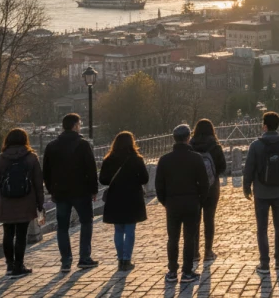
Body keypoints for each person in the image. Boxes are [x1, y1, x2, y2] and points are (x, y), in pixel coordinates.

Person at [42, 113, 99, 272]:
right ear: (75, 126)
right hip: (81, 191)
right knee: (86, 222)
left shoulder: (52, 146)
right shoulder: (83, 145)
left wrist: (51, 189)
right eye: (79, 124)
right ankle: (84, 257)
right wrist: (93, 189)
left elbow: (46, 171)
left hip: (60, 192)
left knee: (62, 227)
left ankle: (66, 261)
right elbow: (91, 169)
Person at [243, 111, 279, 275]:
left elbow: (249, 169)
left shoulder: (256, 145)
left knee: (262, 228)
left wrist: (246, 188)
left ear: (264, 126)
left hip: (261, 192)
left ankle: (264, 263)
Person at [155, 124, 209, 284]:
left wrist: (165, 201)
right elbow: (205, 184)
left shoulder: (164, 160)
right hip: (192, 202)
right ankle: (187, 271)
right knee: (189, 238)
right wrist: (200, 200)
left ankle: (172, 271)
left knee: (173, 238)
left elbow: (159, 186)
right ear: (188, 138)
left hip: (172, 203)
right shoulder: (196, 158)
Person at [0, 128, 45, 278]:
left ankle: (9, 266)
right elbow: (38, 183)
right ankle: (19, 265)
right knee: (21, 234)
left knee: (8, 233)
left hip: (5, 201)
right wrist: (40, 204)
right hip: (26, 201)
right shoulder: (31, 158)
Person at [99, 131, 149, 272]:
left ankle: (120, 259)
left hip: (115, 197)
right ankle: (127, 259)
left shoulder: (109, 159)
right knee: (130, 229)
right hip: (132, 197)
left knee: (118, 230)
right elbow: (145, 178)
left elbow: (103, 179)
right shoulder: (136, 159)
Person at [190, 119, 227, 262]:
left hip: (194, 187)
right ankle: (208, 251)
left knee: (195, 220)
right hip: (212, 187)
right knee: (209, 218)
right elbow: (223, 166)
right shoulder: (215, 145)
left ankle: (194, 252)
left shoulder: (191, 145)